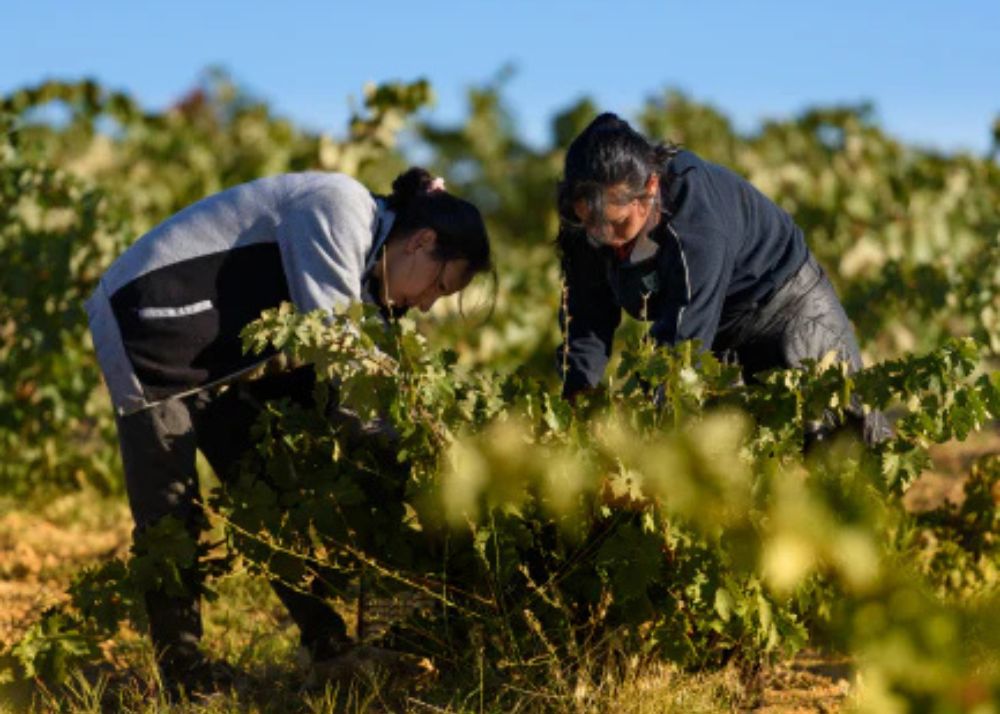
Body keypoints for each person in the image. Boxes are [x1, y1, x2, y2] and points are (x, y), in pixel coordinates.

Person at [85, 167, 491, 697]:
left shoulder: (373, 264)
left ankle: (328, 646)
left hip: (221, 353)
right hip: (151, 321)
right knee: (170, 516)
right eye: (438, 286)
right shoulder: (339, 208)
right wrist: (415, 455)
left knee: (267, 491)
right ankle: (183, 677)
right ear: (422, 240)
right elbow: (341, 364)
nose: (427, 304)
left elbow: (369, 375)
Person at [555, 113, 888, 445]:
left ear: (650, 188)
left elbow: (682, 345)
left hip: (788, 309)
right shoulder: (586, 224)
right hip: (718, 328)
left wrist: (651, 445)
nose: (606, 237)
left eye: (618, 223)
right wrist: (579, 406)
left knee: (844, 449)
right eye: (592, 225)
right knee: (733, 469)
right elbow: (585, 316)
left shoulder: (695, 220)